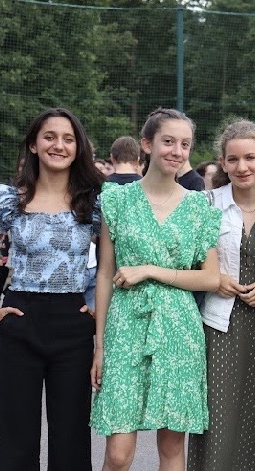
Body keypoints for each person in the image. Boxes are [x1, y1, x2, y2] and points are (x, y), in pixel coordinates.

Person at [0, 108, 104, 470]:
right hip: (19, 320)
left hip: (73, 323)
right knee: (16, 438)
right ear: (33, 144)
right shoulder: (10, 201)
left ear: (78, 148)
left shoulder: (92, 204)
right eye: (50, 137)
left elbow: (112, 267)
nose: (59, 145)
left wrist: (98, 310)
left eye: (68, 139)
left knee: (72, 441)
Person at [89, 108, 221, 471]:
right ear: (146, 145)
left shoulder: (198, 206)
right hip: (125, 326)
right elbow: (105, 273)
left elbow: (211, 278)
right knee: (118, 454)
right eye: (168, 141)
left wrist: (150, 270)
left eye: (185, 144)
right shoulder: (117, 200)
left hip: (178, 329)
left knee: (172, 449)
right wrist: (99, 345)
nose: (177, 151)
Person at [188, 119, 255, 470]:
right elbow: (186, 259)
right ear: (222, 162)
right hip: (219, 326)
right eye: (232, 159)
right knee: (218, 415)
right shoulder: (205, 205)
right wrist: (213, 278)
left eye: (249, 158)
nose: (241, 167)